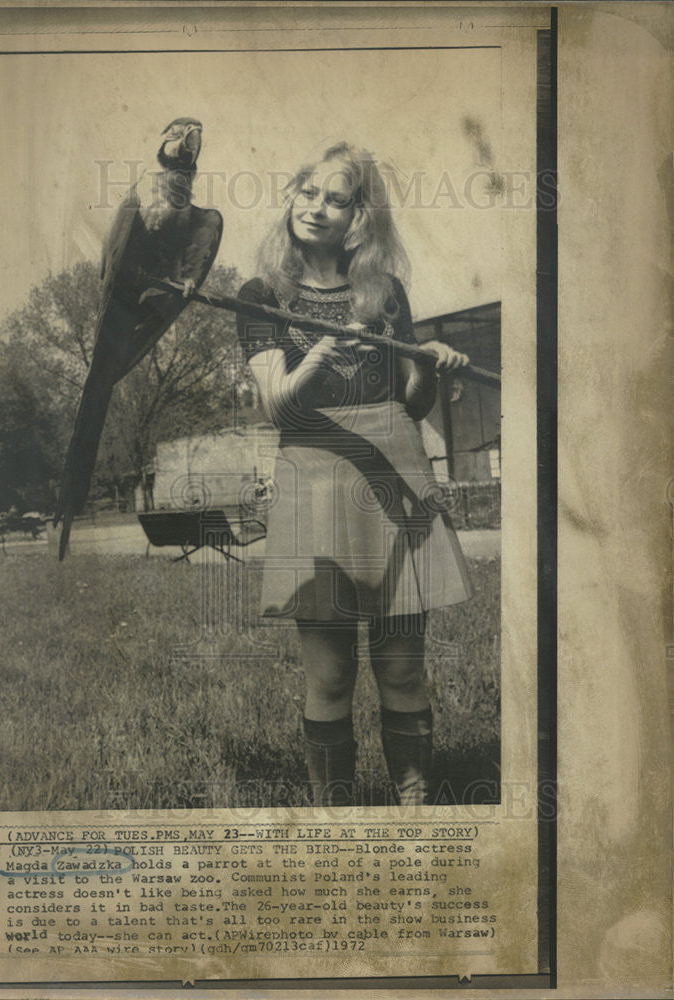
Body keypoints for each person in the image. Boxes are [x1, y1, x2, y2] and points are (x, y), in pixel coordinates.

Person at [236, 142, 472, 807]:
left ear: (357, 217)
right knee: (332, 672)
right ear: (291, 196)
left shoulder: (383, 292)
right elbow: (277, 404)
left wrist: (428, 364)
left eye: (335, 199)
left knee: (400, 666)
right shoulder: (262, 297)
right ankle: (336, 822)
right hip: (313, 473)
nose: (316, 208)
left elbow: (412, 403)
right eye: (307, 192)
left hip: (396, 472)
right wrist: (316, 357)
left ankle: (414, 812)